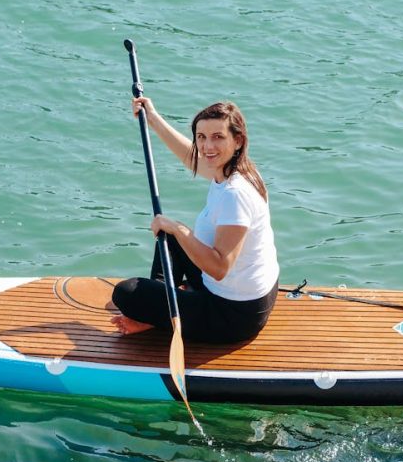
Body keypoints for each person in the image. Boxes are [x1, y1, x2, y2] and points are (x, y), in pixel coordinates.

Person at [110, 96, 280, 344]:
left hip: (233, 313)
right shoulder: (238, 168)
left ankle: (155, 312)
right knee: (168, 239)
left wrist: (180, 229)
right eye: (201, 137)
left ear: (238, 140)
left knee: (126, 293)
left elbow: (220, 268)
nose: (207, 145)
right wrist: (153, 119)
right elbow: (190, 159)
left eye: (217, 137)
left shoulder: (236, 195)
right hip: (252, 293)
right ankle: (160, 306)